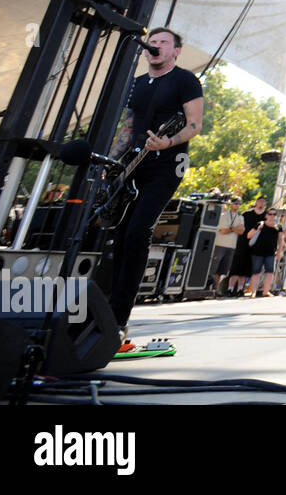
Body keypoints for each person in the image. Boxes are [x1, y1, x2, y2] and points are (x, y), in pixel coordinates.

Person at [106, 27, 204, 344]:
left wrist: (169, 142)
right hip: (131, 164)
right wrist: (112, 163)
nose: (155, 45)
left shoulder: (185, 80)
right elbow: (129, 126)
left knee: (137, 232)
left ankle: (120, 319)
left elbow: (194, 124)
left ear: (175, 51)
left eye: (163, 42)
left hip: (165, 165)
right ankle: (105, 312)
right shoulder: (136, 84)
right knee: (117, 237)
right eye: (153, 41)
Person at [248, 208, 283, 297]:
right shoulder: (260, 224)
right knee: (256, 272)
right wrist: (257, 229)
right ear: (266, 215)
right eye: (270, 214)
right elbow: (249, 235)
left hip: (271, 253)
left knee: (270, 272)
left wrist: (279, 252)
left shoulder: (278, 226)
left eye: (274, 214)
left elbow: (280, 241)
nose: (272, 216)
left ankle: (266, 291)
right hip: (257, 252)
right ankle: (253, 291)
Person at [212, 195, 243, 294]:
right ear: (230, 204)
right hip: (220, 244)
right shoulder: (223, 215)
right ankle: (210, 287)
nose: (237, 205)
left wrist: (231, 229)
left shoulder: (240, 217)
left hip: (231, 246)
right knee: (214, 268)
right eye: (235, 203)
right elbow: (222, 231)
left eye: (239, 203)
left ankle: (217, 289)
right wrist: (234, 228)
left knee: (223, 271)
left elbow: (241, 231)